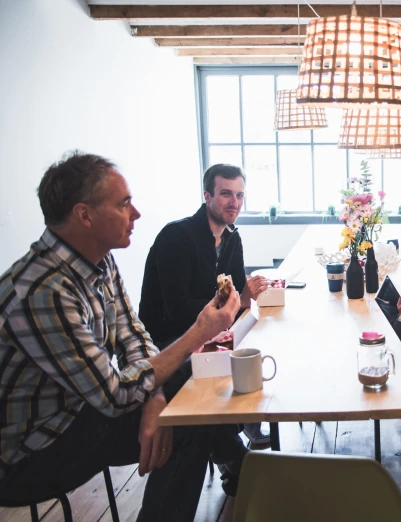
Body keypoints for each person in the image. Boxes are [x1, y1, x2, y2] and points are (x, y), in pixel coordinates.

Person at [0, 152, 241, 522]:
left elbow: (133, 336)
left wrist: (155, 396)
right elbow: (114, 395)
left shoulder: (98, 258)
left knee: (191, 399)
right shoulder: (44, 290)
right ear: (84, 215)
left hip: (84, 407)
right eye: (124, 203)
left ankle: (238, 463)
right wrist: (200, 331)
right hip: (32, 450)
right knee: (190, 418)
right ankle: (238, 466)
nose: (137, 214)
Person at [139, 163, 270, 490]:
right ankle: (233, 453)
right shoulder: (176, 237)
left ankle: (239, 431)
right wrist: (234, 302)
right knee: (214, 369)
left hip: (210, 332)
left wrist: (244, 298)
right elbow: (177, 310)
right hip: (169, 341)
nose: (234, 202)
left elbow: (237, 296)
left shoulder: (232, 238)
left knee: (253, 345)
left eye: (240, 195)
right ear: (207, 195)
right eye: (226, 193)